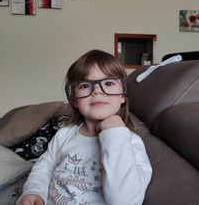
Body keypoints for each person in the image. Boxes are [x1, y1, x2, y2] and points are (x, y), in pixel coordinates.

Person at [17, 49, 152, 205]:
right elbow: (44, 166)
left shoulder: (131, 143)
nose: (97, 91)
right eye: (85, 85)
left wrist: (115, 134)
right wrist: (33, 191)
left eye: (108, 83)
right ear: (74, 99)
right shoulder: (64, 134)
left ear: (123, 95)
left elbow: (125, 201)